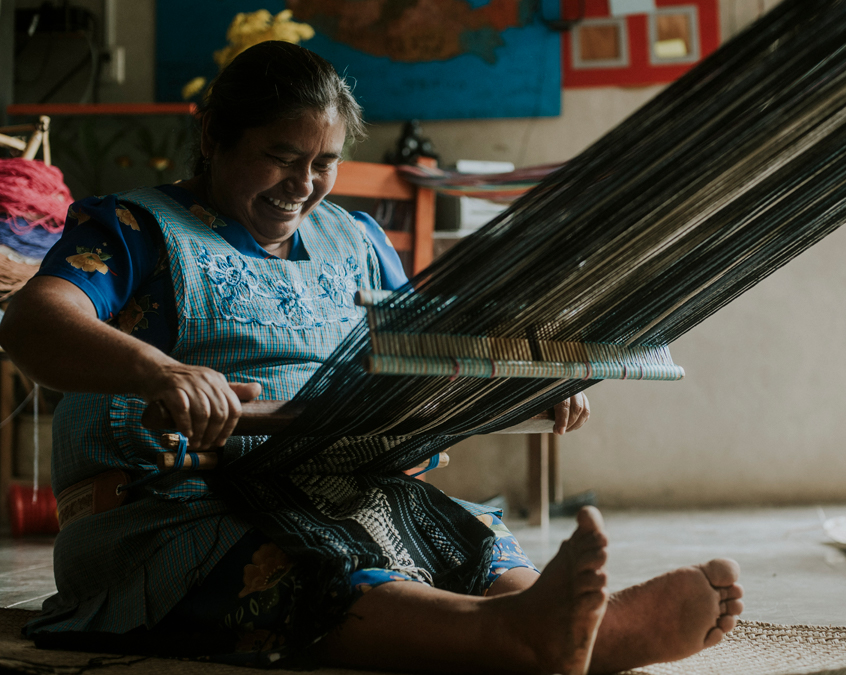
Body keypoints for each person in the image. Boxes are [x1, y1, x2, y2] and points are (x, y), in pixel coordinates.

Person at [0, 41, 742, 674]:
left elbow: (434, 348)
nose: (303, 185)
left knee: (458, 532)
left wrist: (528, 380)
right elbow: (34, 319)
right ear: (213, 138)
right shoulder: (135, 229)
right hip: (175, 510)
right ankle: (506, 636)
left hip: (340, 484)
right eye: (280, 157)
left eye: (323, 161)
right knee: (294, 564)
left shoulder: (354, 240)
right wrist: (158, 371)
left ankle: (573, 622)